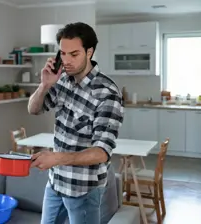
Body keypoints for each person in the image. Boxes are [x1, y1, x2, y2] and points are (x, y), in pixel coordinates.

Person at [27, 22, 124, 224]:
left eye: (74, 54)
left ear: (89, 52)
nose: (67, 60)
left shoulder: (107, 93)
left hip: (84, 189)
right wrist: (44, 85)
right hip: (55, 184)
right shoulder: (61, 80)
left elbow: (101, 152)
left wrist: (56, 158)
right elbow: (33, 109)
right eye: (62, 54)